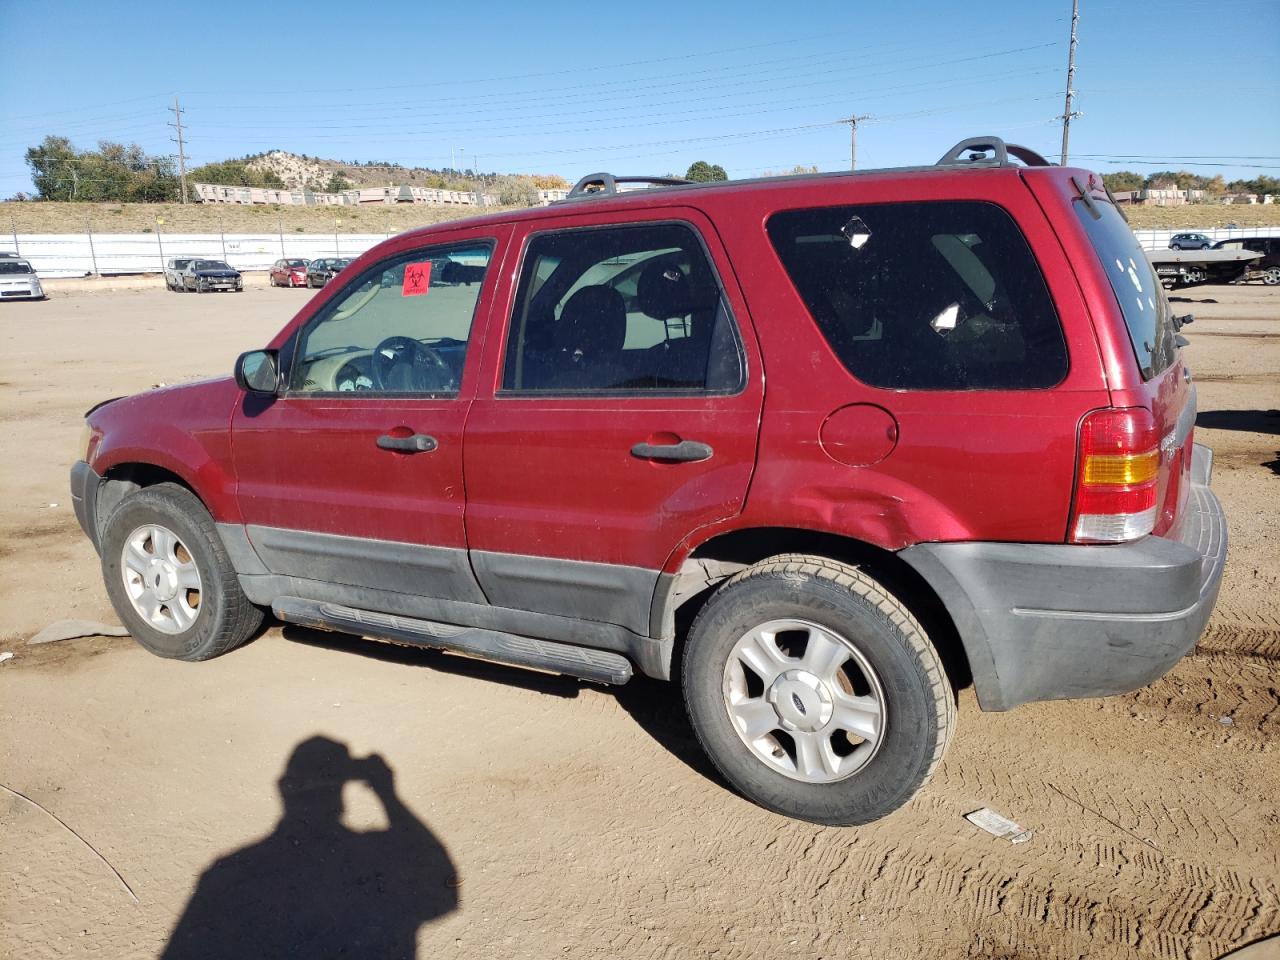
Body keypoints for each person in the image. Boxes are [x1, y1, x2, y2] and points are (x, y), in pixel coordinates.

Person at [161, 736, 456, 959]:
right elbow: (441, 894)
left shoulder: (225, 871)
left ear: (284, 788)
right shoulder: (370, 851)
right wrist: (387, 794)